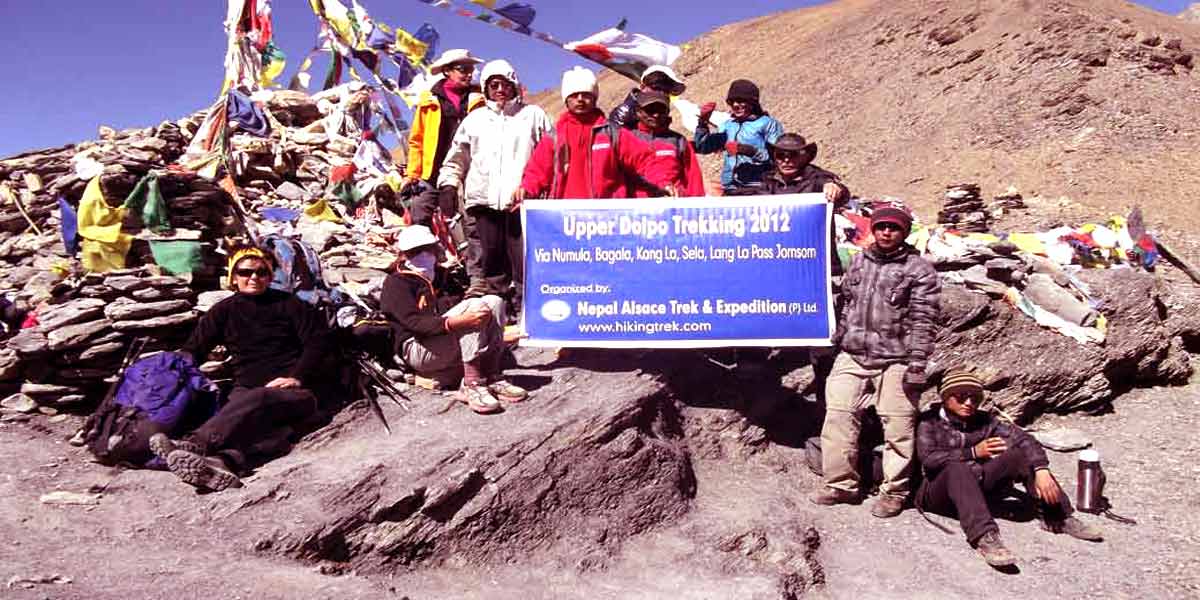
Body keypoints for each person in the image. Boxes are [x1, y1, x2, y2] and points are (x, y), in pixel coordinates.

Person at [148, 247, 334, 492]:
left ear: (270, 277)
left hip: (296, 393)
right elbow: (194, 348)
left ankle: (195, 444)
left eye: (261, 272)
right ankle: (221, 463)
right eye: (245, 272)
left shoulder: (290, 305)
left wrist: (296, 377)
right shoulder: (224, 310)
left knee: (255, 400)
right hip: (246, 391)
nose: (253, 277)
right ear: (234, 277)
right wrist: (167, 372)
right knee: (249, 420)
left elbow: (318, 343)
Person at [811, 205, 940, 518]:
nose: (886, 233)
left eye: (894, 228)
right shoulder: (859, 261)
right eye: (881, 226)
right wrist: (835, 337)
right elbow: (845, 305)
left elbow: (924, 320)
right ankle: (841, 485)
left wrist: (917, 365)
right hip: (853, 354)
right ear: (873, 228)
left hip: (896, 359)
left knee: (898, 427)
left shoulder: (919, 270)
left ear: (904, 232)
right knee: (838, 418)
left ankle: (895, 492)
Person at [916, 368, 1103, 567]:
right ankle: (985, 536)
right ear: (946, 397)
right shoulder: (929, 422)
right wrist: (972, 453)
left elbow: (1024, 439)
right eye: (961, 397)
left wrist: (1041, 469)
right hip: (938, 493)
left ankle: (1057, 516)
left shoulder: (984, 420)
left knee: (1019, 455)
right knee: (956, 467)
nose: (969, 403)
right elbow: (928, 459)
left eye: (974, 397)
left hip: (976, 485)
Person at [438, 59, 553, 318]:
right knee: (492, 261)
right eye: (493, 85)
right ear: (486, 89)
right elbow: (457, 158)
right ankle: (499, 314)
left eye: (505, 84)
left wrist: (543, 188)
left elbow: (551, 154)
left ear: (514, 85)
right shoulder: (474, 120)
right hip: (483, 202)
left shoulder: (533, 115)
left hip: (522, 201)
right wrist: (448, 184)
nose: (500, 89)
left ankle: (529, 313)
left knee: (524, 259)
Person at [380, 225, 527, 415]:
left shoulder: (442, 276)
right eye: (416, 252)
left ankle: (492, 376)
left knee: (494, 302)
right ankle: (471, 384)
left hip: (444, 341)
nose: (424, 255)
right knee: (474, 308)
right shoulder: (396, 283)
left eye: (427, 249)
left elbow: (460, 304)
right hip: (417, 348)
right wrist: (455, 323)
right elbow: (414, 324)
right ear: (404, 255)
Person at [519, 66, 672, 201]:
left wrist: (663, 181)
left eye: (586, 94)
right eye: (574, 95)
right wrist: (526, 189)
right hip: (565, 220)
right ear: (566, 99)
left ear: (594, 98)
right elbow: (537, 172)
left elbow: (645, 159)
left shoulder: (612, 133)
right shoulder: (553, 137)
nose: (580, 99)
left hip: (605, 221)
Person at [404, 49, 485, 226]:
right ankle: (427, 253)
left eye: (470, 69)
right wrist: (412, 174)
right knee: (419, 213)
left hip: (468, 170)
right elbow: (417, 140)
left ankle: (472, 254)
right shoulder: (428, 101)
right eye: (462, 69)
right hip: (432, 171)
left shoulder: (479, 100)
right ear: (447, 71)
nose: (469, 73)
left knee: (471, 221)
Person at [692, 79, 784, 195]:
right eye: (732, 102)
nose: (735, 105)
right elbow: (703, 147)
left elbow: (778, 157)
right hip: (730, 188)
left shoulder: (767, 124)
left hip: (758, 186)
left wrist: (750, 151)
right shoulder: (728, 126)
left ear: (752, 102)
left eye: (740, 101)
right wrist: (702, 123)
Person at [627, 90, 706, 198]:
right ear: (638, 111)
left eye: (661, 110)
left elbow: (693, 178)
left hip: (675, 205)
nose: (656, 115)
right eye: (650, 110)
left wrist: (696, 206)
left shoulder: (678, 140)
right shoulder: (627, 139)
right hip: (639, 207)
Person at [608, 64, 688, 130]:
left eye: (665, 91)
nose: (660, 93)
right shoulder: (625, 112)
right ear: (643, 87)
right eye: (656, 88)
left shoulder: (662, 107)